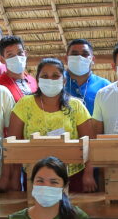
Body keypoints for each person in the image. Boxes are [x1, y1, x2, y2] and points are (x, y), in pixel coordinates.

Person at [7, 57, 97, 192]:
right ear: (37, 80)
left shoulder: (76, 106)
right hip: (35, 177)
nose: (50, 80)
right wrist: (14, 178)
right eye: (45, 76)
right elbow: (13, 146)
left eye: (55, 76)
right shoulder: (24, 105)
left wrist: (89, 174)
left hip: (72, 176)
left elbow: (90, 143)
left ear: (64, 80)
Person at [64, 39, 110, 114]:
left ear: (93, 59)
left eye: (85, 54)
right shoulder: (56, 82)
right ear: (66, 59)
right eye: (75, 54)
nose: (79, 57)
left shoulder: (104, 86)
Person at [0, 34, 38, 102]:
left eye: (20, 53)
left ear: (25, 54)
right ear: (2, 59)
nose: (17, 58)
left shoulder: (33, 81)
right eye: (10, 55)